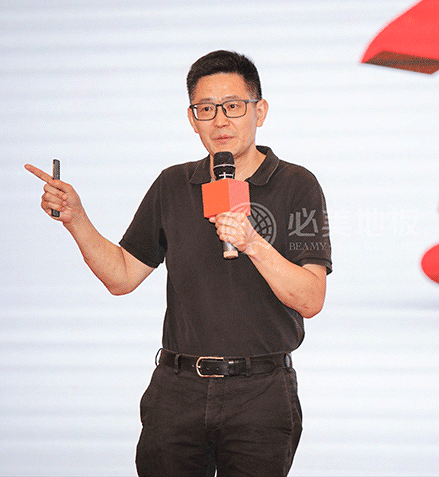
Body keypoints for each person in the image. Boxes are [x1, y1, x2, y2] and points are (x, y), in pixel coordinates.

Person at [25, 50, 332, 476]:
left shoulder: (297, 184)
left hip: (260, 394)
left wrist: (252, 243)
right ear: (192, 118)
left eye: (232, 106)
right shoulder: (174, 184)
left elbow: (311, 299)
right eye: (206, 109)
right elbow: (122, 276)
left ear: (259, 111)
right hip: (177, 390)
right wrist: (76, 219)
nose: (220, 121)